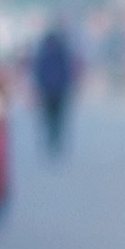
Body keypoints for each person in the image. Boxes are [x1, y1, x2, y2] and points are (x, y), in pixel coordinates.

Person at [30, 20, 80, 157]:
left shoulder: (59, 53)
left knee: (57, 119)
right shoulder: (46, 53)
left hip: (59, 91)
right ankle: (52, 141)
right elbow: (39, 72)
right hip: (49, 91)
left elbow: (67, 72)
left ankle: (55, 141)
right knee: (50, 118)